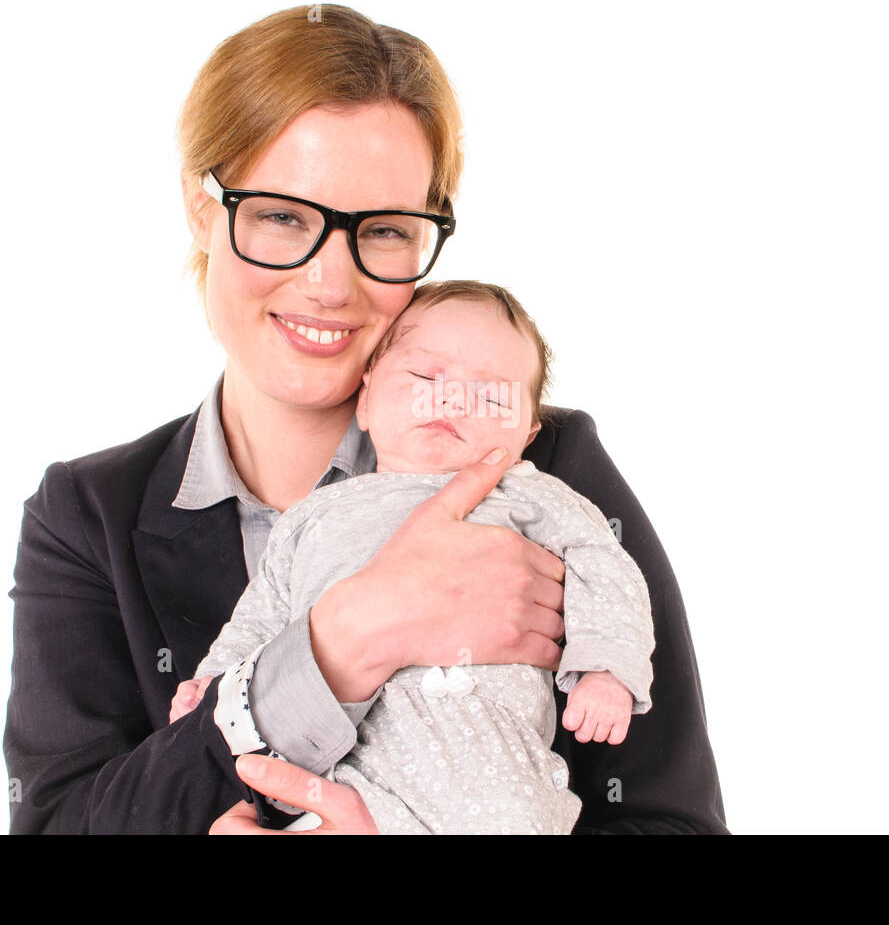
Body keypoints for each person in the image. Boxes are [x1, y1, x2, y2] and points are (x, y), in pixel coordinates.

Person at [4, 3, 727, 835]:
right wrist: (343, 639)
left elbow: (674, 824)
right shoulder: (87, 515)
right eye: (281, 215)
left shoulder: (546, 464)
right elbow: (59, 824)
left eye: (382, 231)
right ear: (201, 209)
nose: (328, 282)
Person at [170, 282, 655, 834]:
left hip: (492, 778)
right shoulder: (313, 516)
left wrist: (606, 669)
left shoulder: (529, 495)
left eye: (493, 398)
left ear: (526, 434)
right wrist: (212, 683)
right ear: (368, 398)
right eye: (424, 378)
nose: (452, 400)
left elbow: (606, 567)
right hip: (340, 773)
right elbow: (262, 613)